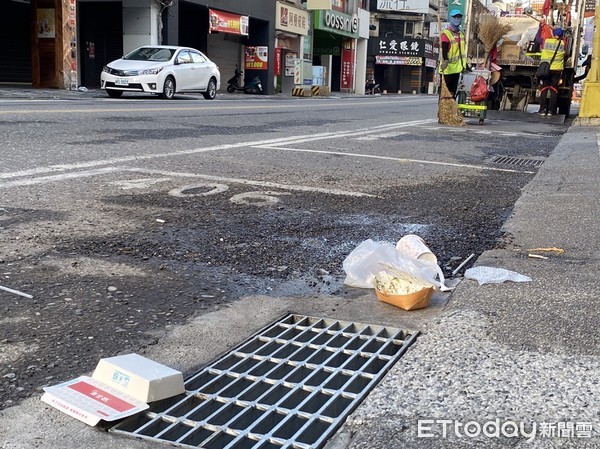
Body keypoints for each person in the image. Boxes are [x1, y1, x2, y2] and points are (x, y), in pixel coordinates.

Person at [538, 27, 565, 116]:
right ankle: (551, 111)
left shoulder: (547, 41)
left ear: (553, 34)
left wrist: (541, 27)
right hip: (557, 69)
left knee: (544, 88)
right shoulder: (562, 43)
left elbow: (539, 39)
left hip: (546, 69)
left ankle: (542, 110)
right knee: (554, 90)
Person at [440, 10, 467, 98]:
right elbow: (444, 48)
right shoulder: (446, 33)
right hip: (447, 69)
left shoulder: (461, 34)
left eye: (459, 17)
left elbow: (461, 51)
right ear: (450, 18)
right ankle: (443, 111)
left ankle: (451, 110)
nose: (457, 19)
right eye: (455, 17)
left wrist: (464, 64)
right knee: (445, 95)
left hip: (457, 69)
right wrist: (445, 60)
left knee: (452, 94)